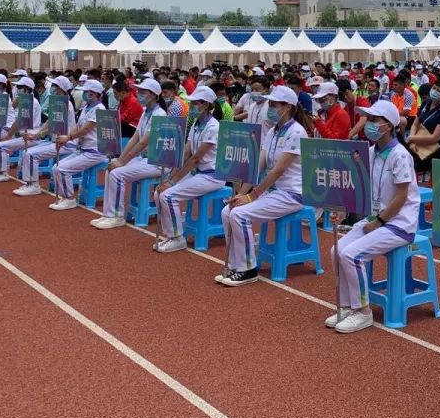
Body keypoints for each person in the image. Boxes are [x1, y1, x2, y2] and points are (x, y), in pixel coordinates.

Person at [326, 99, 420, 334]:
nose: (368, 124)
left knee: (351, 255)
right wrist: (344, 209)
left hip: (398, 224)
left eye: (374, 120)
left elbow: (401, 197)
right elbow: (357, 188)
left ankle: (363, 311)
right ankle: (348, 306)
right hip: (376, 221)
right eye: (368, 119)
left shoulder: (400, 155)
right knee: (336, 251)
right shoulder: (369, 153)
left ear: (388, 125)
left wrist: (379, 221)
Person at [217, 86, 310, 286]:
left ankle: (248, 269)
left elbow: (278, 170)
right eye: (271, 104)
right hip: (273, 192)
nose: (271, 108)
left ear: (287, 107)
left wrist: (252, 196)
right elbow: (257, 167)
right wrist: (240, 194)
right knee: (228, 211)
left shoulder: (297, 132)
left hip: (292, 194)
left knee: (240, 215)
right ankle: (235, 265)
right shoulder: (272, 132)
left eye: (275, 105)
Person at [153, 86, 223, 253]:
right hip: (198, 173)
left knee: (168, 195)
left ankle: (177, 238)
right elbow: (186, 151)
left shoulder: (213, 127)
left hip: (212, 176)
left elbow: (196, 158)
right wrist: (169, 175)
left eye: (195, 103)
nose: (191, 107)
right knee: (158, 192)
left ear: (206, 105)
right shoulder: (196, 125)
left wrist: (172, 181)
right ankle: (171, 232)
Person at [90, 78, 166, 229]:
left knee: (117, 174)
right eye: (138, 91)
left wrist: (123, 162)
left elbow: (143, 142)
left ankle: (117, 216)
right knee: (111, 169)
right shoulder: (147, 113)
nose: (139, 94)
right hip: (143, 159)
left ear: (153, 95)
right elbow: (135, 138)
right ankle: (108, 213)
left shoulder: (160, 115)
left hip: (155, 162)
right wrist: (120, 158)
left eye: (142, 92)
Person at [48, 80, 108, 211]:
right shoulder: (86, 108)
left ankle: (69, 199)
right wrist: (67, 139)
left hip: (95, 151)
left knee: (62, 169)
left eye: (86, 92)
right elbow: (77, 127)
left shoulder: (99, 109)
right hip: (82, 149)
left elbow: (86, 129)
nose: (84, 94)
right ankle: (65, 197)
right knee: (56, 167)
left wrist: (68, 137)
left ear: (94, 94)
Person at [16, 75, 77, 198]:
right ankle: (30, 183)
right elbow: (49, 122)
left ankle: (33, 185)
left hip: (66, 143)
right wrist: (37, 134)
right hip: (56, 141)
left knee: (30, 154)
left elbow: (53, 125)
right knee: (27, 152)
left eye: (55, 86)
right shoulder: (58, 102)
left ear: (61, 88)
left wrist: (37, 135)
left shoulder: (66, 104)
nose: (52, 88)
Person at [0, 76, 44, 183]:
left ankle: (2, 173)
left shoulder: (30, 102)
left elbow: (19, 121)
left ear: (26, 89)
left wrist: (8, 136)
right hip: (23, 135)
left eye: (20, 87)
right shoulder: (25, 100)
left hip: (31, 137)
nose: (17, 89)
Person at [406, 76, 440, 175]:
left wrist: (412, 138)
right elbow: (415, 124)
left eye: (439, 90)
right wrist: (412, 143)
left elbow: (434, 138)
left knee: (436, 183)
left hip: (436, 150)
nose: (434, 91)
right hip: (418, 144)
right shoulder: (426, 103)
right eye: (434, 88)